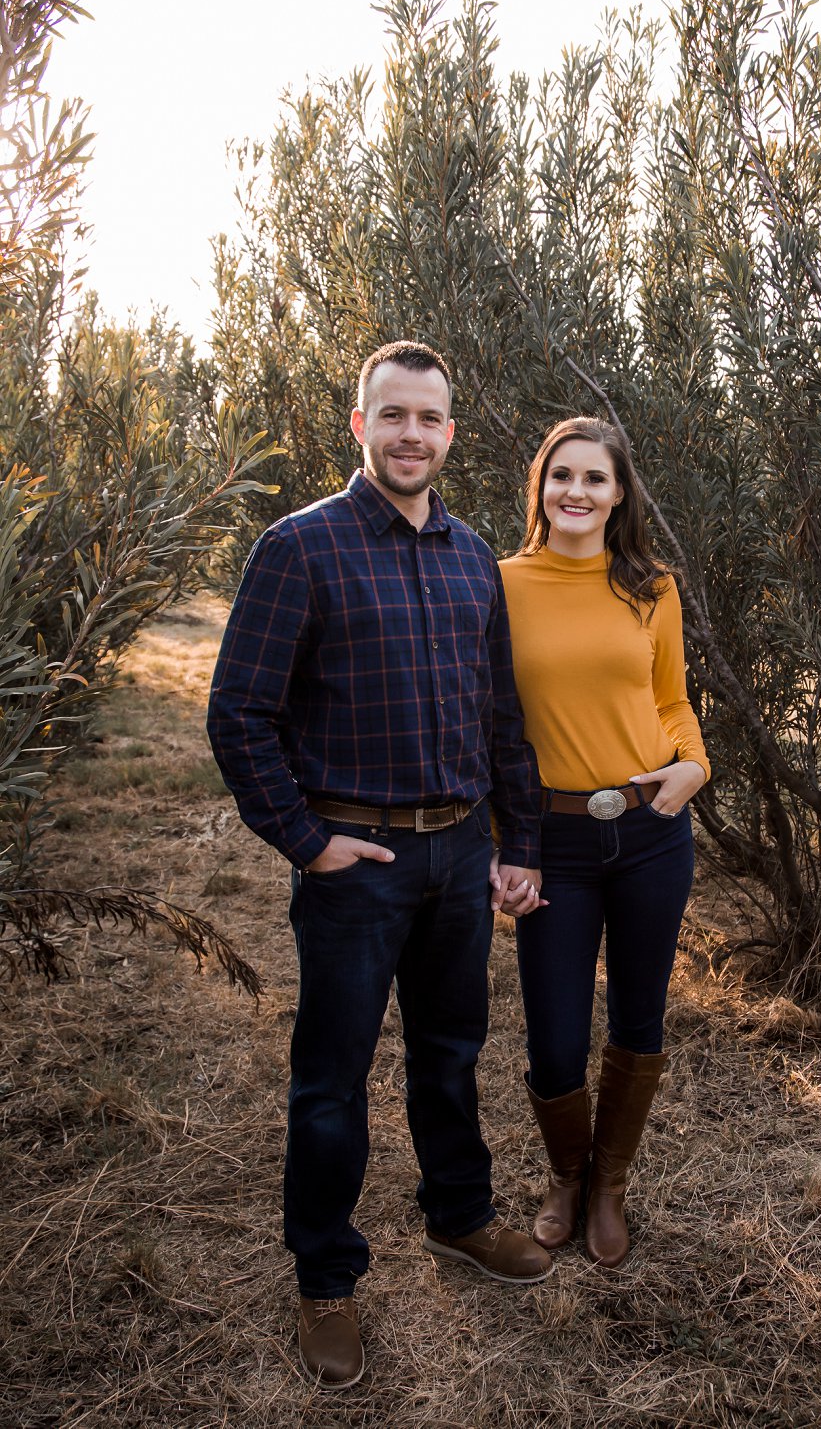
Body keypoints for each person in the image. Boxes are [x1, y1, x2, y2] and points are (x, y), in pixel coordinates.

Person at [207, 341, 551, 1392]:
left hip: (459, 854)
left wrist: (519, 842)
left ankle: (460, 1217)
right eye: (391, 415)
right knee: (332, 1083)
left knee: (451, 1052)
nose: (411, 434)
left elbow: (502, 716)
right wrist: (308, 842)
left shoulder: (471, 556)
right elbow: (239, 713)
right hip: (356, 861)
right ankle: (326, 1279)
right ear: (359, 425)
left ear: (451, 434)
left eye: (429, 418)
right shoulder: (299, 549)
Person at [498, 416, 709, 1269]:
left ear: (619, 493)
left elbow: (672, 700)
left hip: (652, 827)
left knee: (638, 1016)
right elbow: (487, 722)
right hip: (550, 836)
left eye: (595, 478)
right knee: (553, 1031)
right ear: (540, 488)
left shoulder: (652, 587)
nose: (576, 492)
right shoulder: (501, 583)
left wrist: (694, 764)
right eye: (561, 476)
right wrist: (497, 835)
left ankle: (610, 1185)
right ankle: (565, 1176)